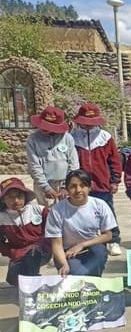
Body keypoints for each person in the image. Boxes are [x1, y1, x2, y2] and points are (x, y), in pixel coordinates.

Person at [71, 103, 123, 256]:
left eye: (91, 123)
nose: (87, 126)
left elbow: (115, 161)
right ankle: (85, 240)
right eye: (85, 122)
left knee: (107, 212)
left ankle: (113, 241)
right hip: (81, 185)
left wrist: (115, 180)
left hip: (102, 184)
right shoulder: (72, 138)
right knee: (81, 213)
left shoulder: (105, 138)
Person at [45, 170, 117, 277]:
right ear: (67, 189)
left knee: (99, 253)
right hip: (68, 252)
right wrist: (63, 264)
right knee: (77, 275)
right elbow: (56, 243)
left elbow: (108, 235)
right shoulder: (57, 210)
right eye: (73, 186)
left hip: (91, 248)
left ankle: (93, 279)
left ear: (89, 187)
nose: (78, 190)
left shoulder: (100, 205)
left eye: (82, 186)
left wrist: (81, 245)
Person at [0, 178, 51, 286]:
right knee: (13, 280)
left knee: (31, 257)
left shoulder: (40, 210)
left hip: (41, 250)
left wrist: (42, 245)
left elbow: (52, 232)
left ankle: (33, 289)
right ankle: (36, 283)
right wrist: (12, 252)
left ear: (25, 196)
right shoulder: (1, 218)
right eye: (10, 197)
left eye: (19, 196)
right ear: (3, 199)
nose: (16, 201)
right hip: (18, 253)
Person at [26, 106, 79, 206]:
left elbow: (74, 163)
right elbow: (34, 165)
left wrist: (66, 186)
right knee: (47, 214)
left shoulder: (67, 138)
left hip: (65, 183)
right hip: (43, 184)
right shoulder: (33, 139)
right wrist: (45, 187)